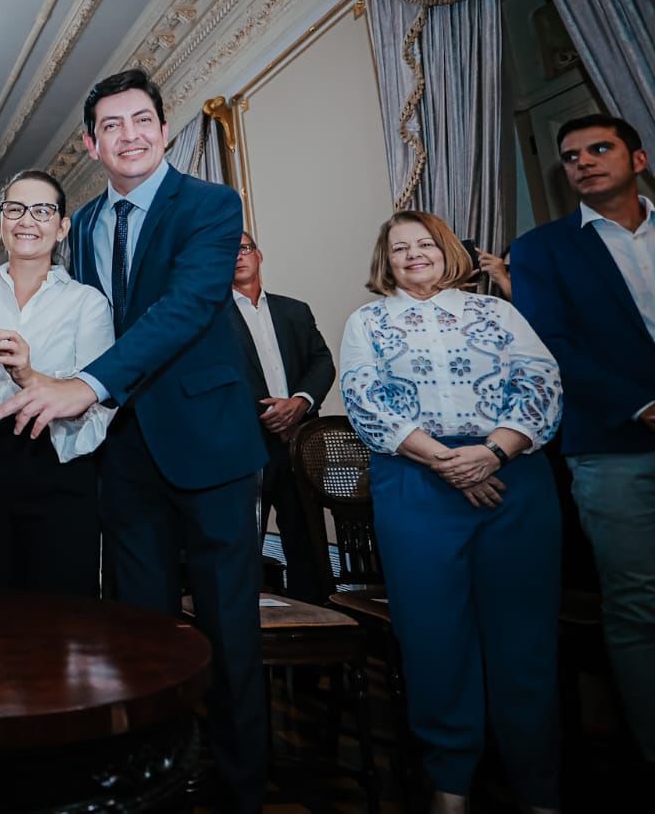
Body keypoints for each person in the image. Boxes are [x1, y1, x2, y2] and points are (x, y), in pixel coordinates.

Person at [0, 69, 269, 811]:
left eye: (141, 119)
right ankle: (155, 780)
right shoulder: (80, 223)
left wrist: (86, 385)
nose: (129, 135)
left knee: (228, 629)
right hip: (120, 451)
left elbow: (186, 307)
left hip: (209, 443)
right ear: (91, 144)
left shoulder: (211, 205)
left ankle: (240, 790)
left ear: (164, 130)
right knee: (138, 629)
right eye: (111, 125)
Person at [340, 210, 563, 814]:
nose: (413, 254)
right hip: (415, 482)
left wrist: (492, 454)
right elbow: (366, 400)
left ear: (446, 251)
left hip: (512, 479)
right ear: (385, 262)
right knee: (433, 636)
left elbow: (540, 382)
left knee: (524, 638)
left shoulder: (497, 312)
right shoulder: (368, 321)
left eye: (424, 244)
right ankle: (450, 783)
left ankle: (538, 785)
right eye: (399, 248)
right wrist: (446, 462)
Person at [511, 113, 655, 766]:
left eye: (599, 148)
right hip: (612, 444)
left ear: (638, 158)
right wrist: (640, 404)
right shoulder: (542, 249)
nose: (584, 161)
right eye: (571, 156)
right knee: (638, 604)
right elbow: (552, 345)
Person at [0, 169, 111, 595]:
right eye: (15, 209)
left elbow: (99, 410)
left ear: (62, 227)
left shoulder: (88, 303)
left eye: (42, 211)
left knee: (63, 616)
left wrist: (29, 375)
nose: (27, 220)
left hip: (61, 471)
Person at [227, 231, 335, 603]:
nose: (237, 256)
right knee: (244, 543)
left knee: (308, 543)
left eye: (244, 248)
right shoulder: (210, 318)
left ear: (258, 254)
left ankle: (318, 623)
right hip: (245, 445)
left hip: (298, 444)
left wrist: (300, 402)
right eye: (227, 251)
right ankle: (249, 627)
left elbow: (322, 362)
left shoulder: (295, 310)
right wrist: (270, 413)